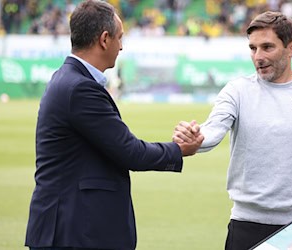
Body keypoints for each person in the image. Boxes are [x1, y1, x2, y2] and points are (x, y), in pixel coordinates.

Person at [24, 1, 203, 249]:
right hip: (74, 232)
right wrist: (179, 149)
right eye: (120, 38)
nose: (122, 46)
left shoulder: (68, 79)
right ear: (104, 39)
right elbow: (130, 152)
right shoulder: (80, 88)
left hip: (70, 228)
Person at [173, 11, 292, 250]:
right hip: (246, 224)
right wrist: (196, 138)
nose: (258, 57)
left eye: (267, 47)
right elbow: (213, 130)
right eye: (253, 48)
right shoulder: (237, 91)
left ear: (291, 48)